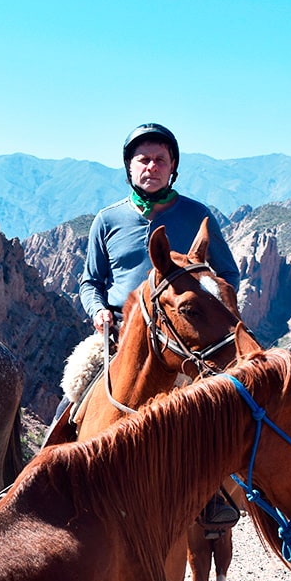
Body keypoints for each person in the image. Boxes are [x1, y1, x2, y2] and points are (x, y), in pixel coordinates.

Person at [78, 123, 242, 527]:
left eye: (160, 160)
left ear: (173, 168)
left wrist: (208, 313)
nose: (151, 166)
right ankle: (45, 470)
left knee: (207, 410)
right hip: (119, 334)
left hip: (181, 340)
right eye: (143, 160)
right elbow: (89, 281)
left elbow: (226, 274)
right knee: (75, 393)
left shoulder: (196, 214)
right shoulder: (108, 219)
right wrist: (98, 310)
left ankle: (213, 497)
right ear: (129, 167)